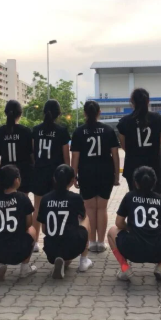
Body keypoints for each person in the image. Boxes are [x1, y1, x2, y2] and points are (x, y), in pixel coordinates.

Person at [107, 166, 161, 281]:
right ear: (154, 182)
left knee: (111, 231)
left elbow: (118, 222)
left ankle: (124, 267)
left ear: (135, 182)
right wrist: (156, 230)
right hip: (157, 250)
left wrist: (130, 228)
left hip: (132, 249)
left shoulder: (129, 196)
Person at [71, 101, 120, 253]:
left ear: (84, 113)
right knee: (102, 208)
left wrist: (73, 175)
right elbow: (115, 155)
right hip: (106, 172)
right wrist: (117, 175)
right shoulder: (108, 130)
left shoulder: (79, 131)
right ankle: (101, 242)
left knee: (90, 208)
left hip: (86, 173)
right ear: (99, 112)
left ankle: (91, 242)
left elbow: (75, 157)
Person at [37, 164, 92, 279]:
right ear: (72, 181)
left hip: (50, 248)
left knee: (63, 250)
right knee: (85, 218)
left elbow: (44, 229)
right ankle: (84, 260)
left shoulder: (45, 198)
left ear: (54, 179)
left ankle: (61, 260)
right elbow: (82, 216)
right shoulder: (75, 198)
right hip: (71, 245)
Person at [0, 165, 37, 281]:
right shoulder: (23, 198)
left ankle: (0, 264)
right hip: (18, 250)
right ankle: (25, 268)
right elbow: (29, 223)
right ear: (16, 180)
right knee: (32, 230)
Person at [31, 100, 70, 252]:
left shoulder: (36, 130)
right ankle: (56, 239)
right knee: (57, 207)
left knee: (37, 208)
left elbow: (32, 153)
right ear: (58, 114)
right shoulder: (61, 131)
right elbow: (66, 156)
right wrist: (68, 175)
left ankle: (34, 242)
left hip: (39, 172)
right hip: (56, 175)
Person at [117, 88, 161, 193]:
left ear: (132, 102)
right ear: (148, 101)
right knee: (156, 198)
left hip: (133, 165)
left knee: (135, 198)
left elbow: (124, 146)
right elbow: (159, 142)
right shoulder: (157, 118)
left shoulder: (125, 121)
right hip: (154, 165)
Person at [0, 100, 34, 194]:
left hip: (5, 172)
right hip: (23, 173)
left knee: (6, 200)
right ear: (20, 114)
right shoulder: (26, 131)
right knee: (23, 200)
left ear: (5, 113)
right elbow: (32, 154)